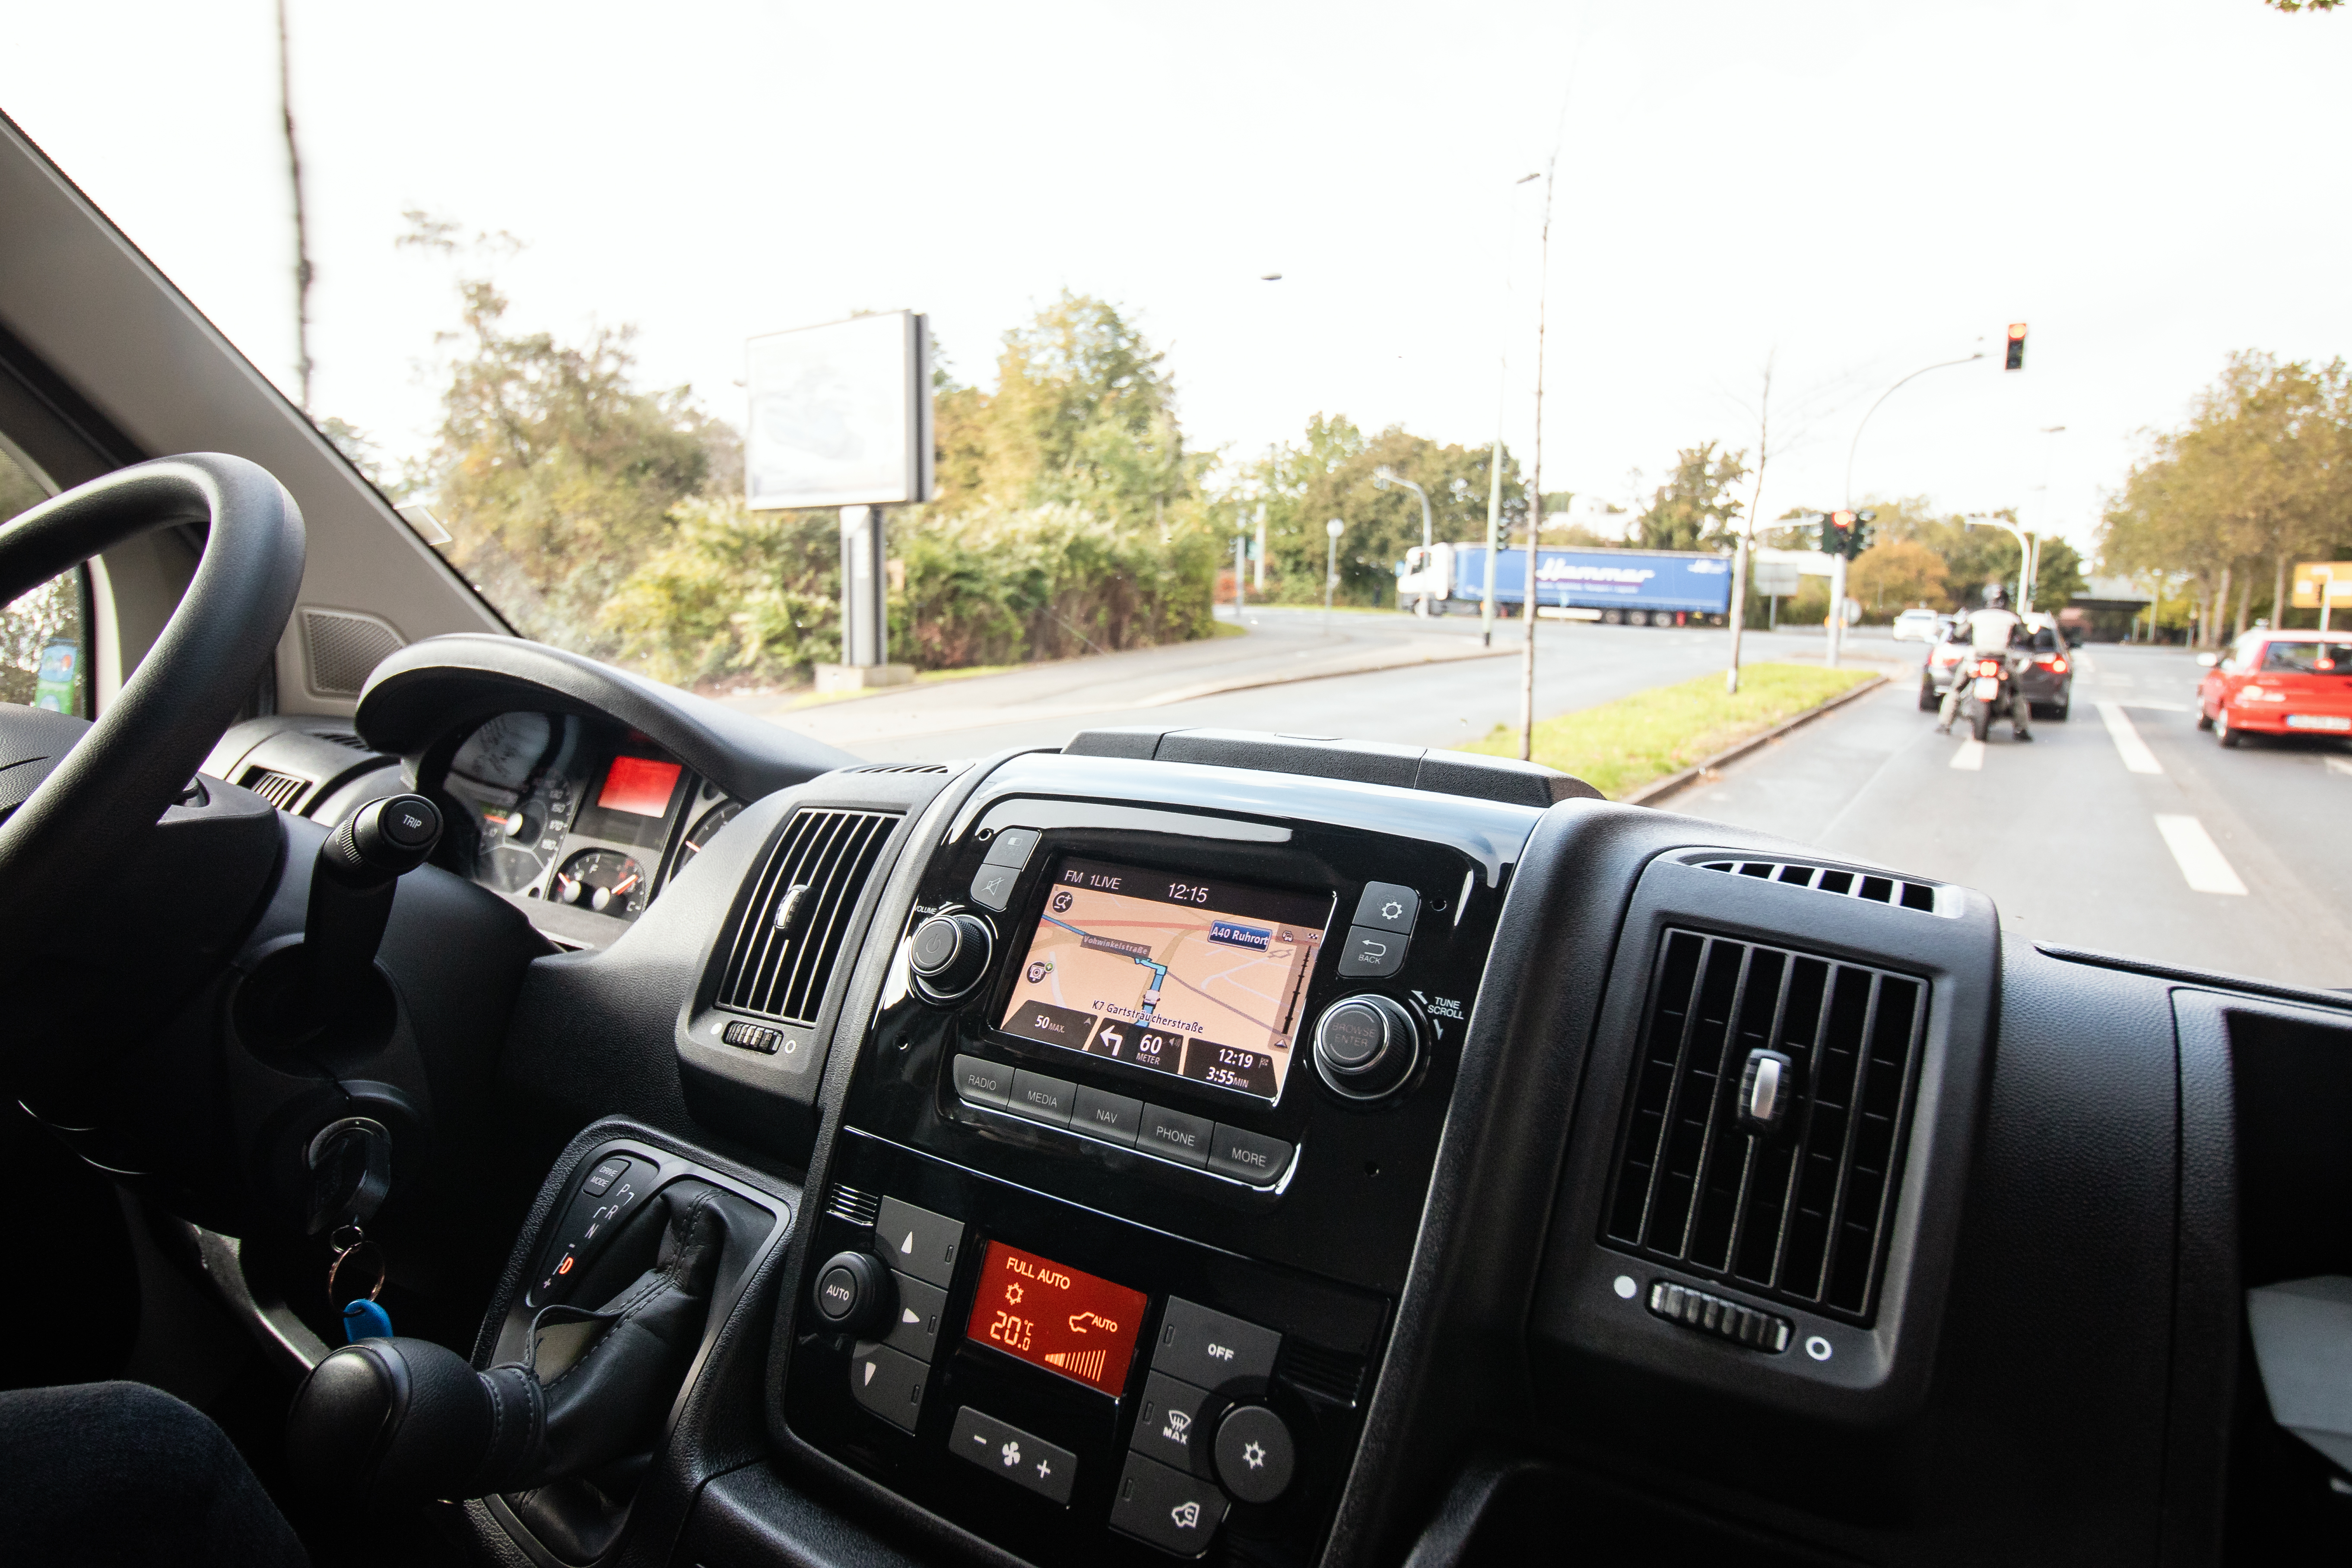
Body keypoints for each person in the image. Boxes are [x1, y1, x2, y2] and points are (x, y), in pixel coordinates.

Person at [1935, 585, 2034, 740]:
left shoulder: (1975, 616)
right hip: (2002, 661)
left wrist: (1957, 633)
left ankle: (1945, 724)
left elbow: (1959, 634)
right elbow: (2026, 637)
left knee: (1957, 688)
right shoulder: (2012, 618)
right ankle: (2022, 730)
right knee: (2017, 692)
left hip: (1976, 659)